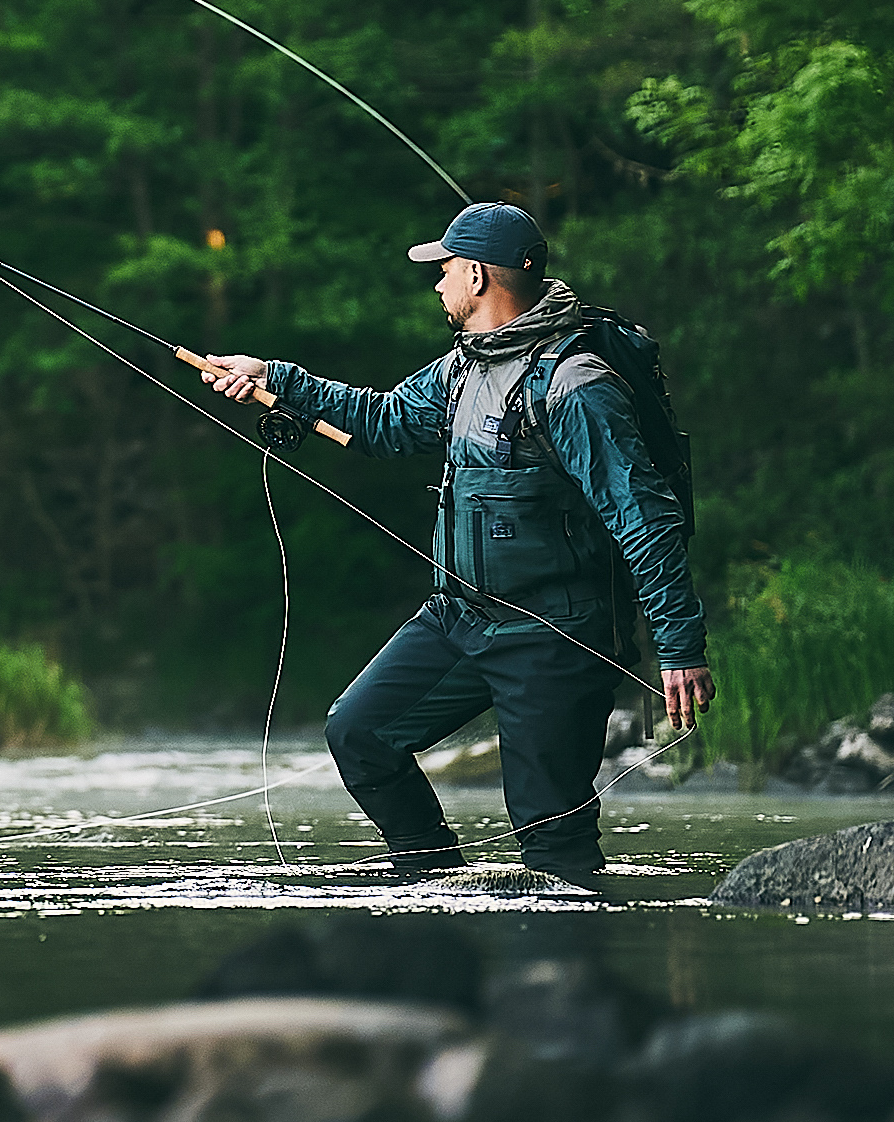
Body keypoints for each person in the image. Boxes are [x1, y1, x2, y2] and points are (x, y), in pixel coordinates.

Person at [195, 201, 714, 878]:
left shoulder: (575, 385)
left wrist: (678, 646)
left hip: (558, 634)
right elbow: (379, 421)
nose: (435, 282)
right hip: (459, 617)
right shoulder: (462, 368)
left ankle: (571, 969)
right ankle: (432, 885)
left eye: (442, 269)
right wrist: (274, 377)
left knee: (550, 838)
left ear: (476, 275)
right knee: (358, 731)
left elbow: (644, 520)